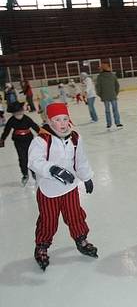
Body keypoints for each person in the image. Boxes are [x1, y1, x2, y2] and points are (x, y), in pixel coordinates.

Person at [28, 103, 97, 270]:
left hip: (70, 187)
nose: (63, 123)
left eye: (65, 119)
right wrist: (52, 169)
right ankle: (42, 246)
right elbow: (34, 161)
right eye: (57, 120)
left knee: (76, 216)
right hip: (49, 190)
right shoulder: (42, 139)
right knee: (48, 220)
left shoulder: (75, 138)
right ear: (49, 121)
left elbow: (80, 160)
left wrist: (87, 177)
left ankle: (81, 238)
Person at [0, 101, 41, 186]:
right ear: (13, 113)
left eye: (20, 111)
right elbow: (6, 130)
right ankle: (25, 174)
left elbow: (35, 127)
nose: (18, 113)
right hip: (18, 141)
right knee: (22, 158)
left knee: (31, 156)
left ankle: (34, 172)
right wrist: (2, 139)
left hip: (29, 140)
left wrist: (43, 135)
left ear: (22, 110)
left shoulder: (27, 119)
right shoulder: (11, 120)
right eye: (16, 112)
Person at [95, 62, 123, 129]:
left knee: (107, 111)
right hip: (113, 95)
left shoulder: (99, 77)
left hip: (105, 96)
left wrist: (100, 95)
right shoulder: (112, 75)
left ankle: (109, 123)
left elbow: (97, 87)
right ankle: (117, 122)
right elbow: (117, 86)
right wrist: (115, 93)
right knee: (115, 110)